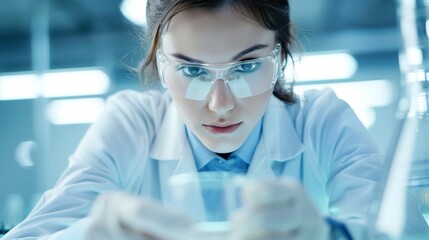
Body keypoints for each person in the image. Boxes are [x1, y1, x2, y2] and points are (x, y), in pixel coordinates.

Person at [2, 0, 383, 239]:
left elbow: (399, 231)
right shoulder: (132, 124)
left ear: (280, 57)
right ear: (160, 66)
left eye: (247, 66)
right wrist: (87, 235)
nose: (220, 104)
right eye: (193, 72)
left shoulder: (322, 121)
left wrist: (330, 235)